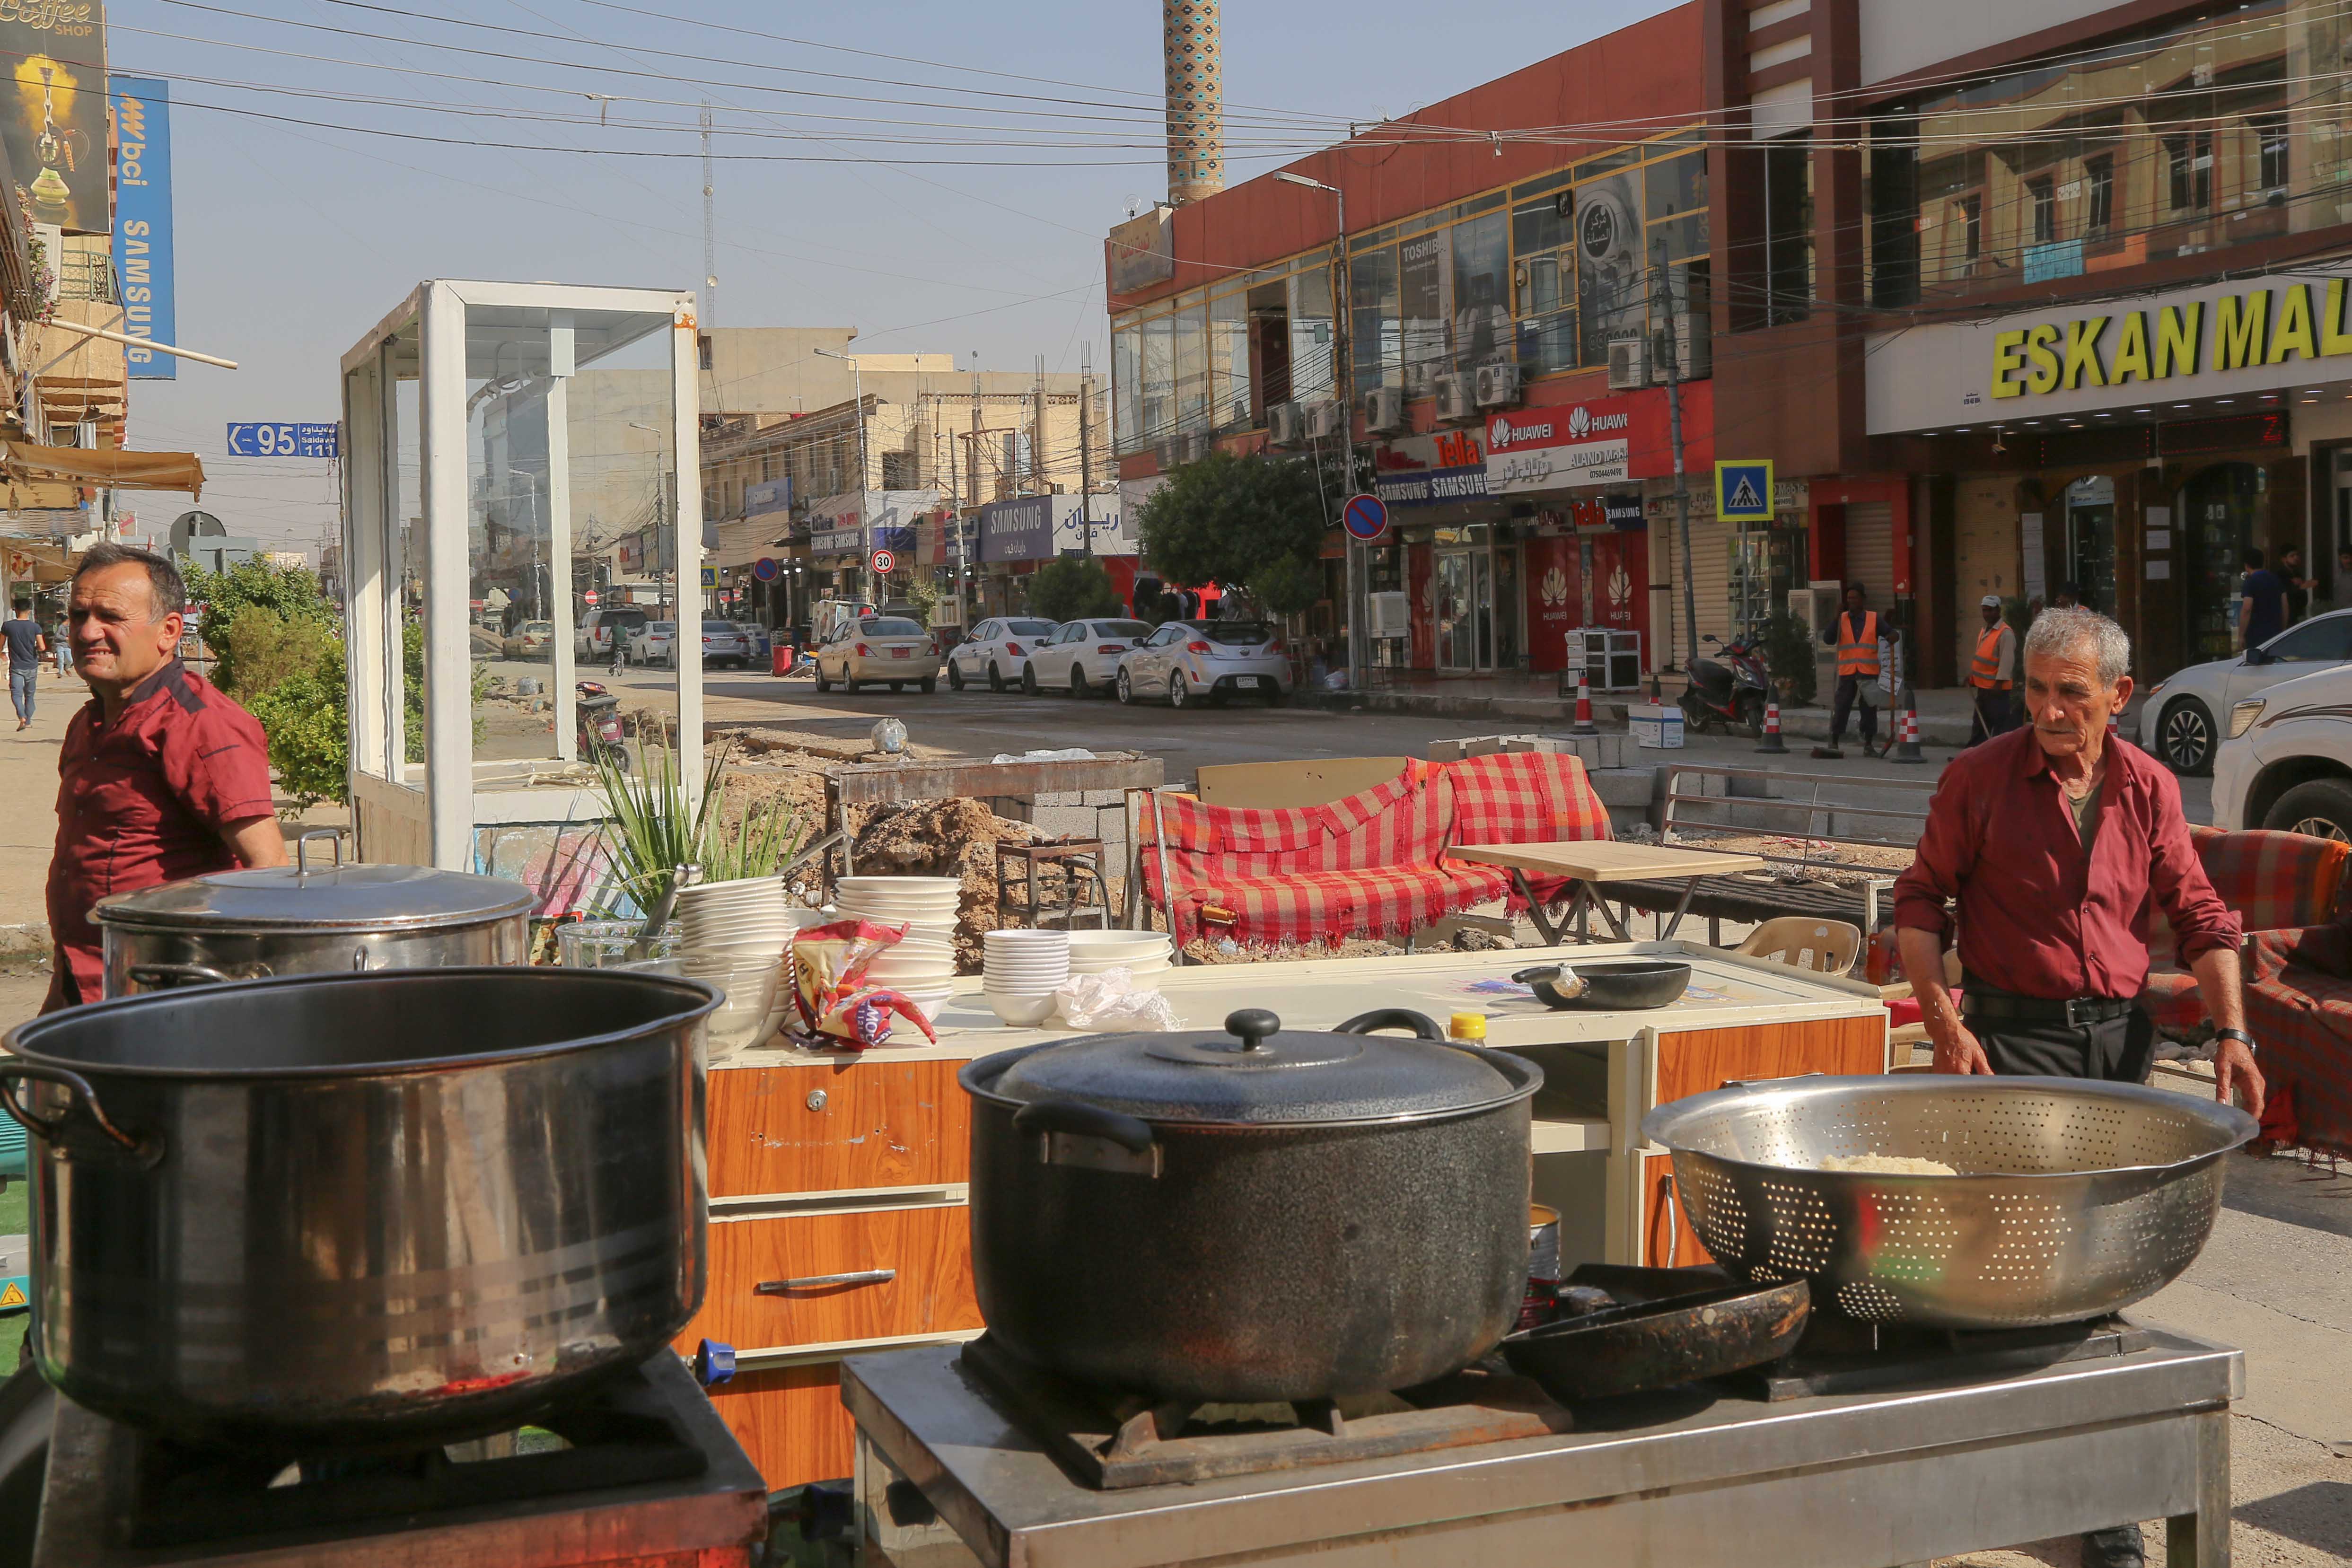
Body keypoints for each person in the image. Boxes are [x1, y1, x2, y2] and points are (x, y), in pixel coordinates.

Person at [1893, 605, 2261, 1568]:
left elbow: (2199, 911)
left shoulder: (2144, 786)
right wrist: (1942, 1019)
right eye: (2035, 689)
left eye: (2070, 691)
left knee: (2091, 1271)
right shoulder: (1977, 777)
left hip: (2119, 1051)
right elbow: (1919, 900)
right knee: (2029, 1276)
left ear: (2116, 695)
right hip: (2013, 1043)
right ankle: (2087, 1522)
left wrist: (2231, 1031)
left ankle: (2054, 1500)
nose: (2050, 710)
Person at [43, 543, 288, 1012]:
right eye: (78, 615)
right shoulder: (89, 723)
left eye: (110, 616)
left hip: (162, 997)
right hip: (84, 979)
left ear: (169, 631)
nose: (88, 632)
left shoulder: (200, 725)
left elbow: (270, 872)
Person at [1815, 583, 1883, 760]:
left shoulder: (1874, 619)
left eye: (1855, 598)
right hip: (1848, 671)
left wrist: (1892, 636)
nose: (1851, 601)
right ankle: (1834, 740)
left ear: (1863, 600)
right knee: (1842, 705)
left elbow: (1890, 633)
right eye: (1849, 598)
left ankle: (1868, 743)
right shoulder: (1842, 619)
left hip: (1868, 672)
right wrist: (1836, 618)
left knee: (1869, 707)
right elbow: (1829, 639)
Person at [1965, 594, 2017, 746]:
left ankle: (1997, 758)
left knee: (1999, 729)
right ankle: (1972, 756)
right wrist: (1972, 677)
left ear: (1998, 611)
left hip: (1997, 690)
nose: (1987, 614)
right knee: (1980, 726)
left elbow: (2006, 663)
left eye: (1990, 611)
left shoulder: (2005, 633)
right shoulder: (1985, 631)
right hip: (1984, 689)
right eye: (1984, 611)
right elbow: (1981, 658)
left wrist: (1998, 685)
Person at [6, 597, 44, 729]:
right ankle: (28, 721)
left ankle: (22, 716)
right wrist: (35, 648)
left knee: (16, 694)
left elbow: (0, 646)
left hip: (16, 667)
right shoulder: (35, 627)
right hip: (32, 666)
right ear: (29, 611)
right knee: (30, 695)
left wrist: (2, 654)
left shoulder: (8, 626)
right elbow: (42, 647)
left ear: (15, 610)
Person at [2238, 548, 2286, 652]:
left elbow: (2247, 609)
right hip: (2275, 633)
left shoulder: (2250, 582)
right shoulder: (2276, 579)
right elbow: (2285, 605)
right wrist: (2283, 629)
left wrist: (2241, 635)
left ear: (2247, 565)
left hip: (2255, 635)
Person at [2278, 545, 2313, 626]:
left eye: (2297, 555)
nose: (2296, 558)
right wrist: (2300, 587)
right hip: (2286, 617)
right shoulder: (2280, 575)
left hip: (2298, 616)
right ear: (2284, 559)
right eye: (2292, 556)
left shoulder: (2297, 574)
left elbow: (2303, 599)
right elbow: (2285, 596)